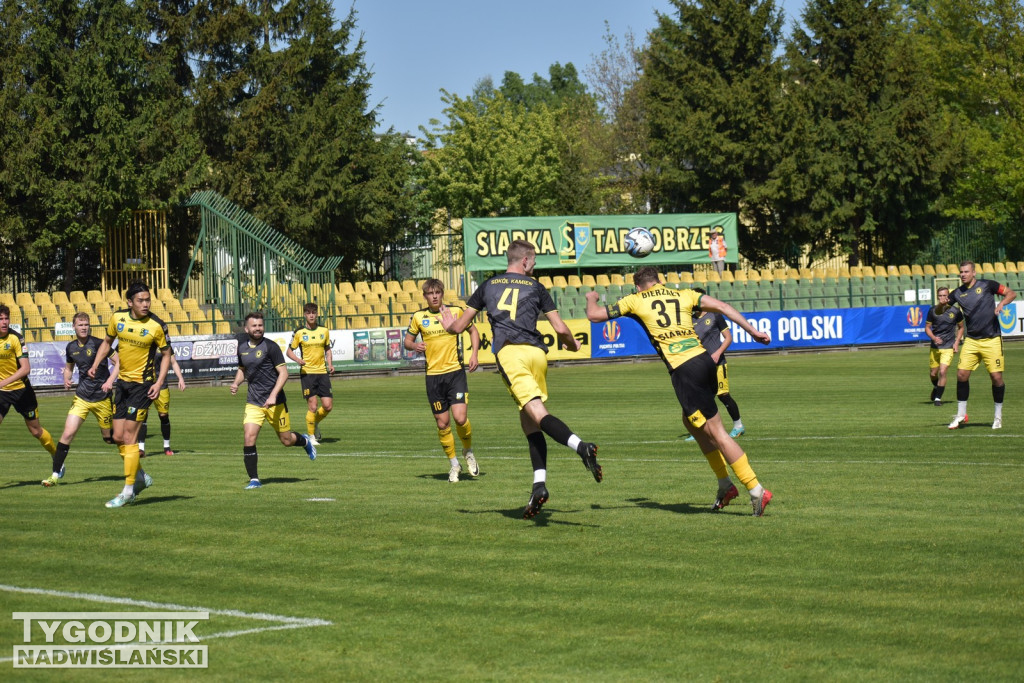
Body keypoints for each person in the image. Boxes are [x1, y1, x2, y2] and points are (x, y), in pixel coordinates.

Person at [585, 266, 774, 516]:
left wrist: (591, 298)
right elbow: (724, 307)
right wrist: (754, 332)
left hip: (684, 368)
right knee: (691, 422)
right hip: (704, 362)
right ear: (660, 281)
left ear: (639, 285)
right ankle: (725, 485)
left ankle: (756, 490)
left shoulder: (635, 299)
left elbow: (595, 316)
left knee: (717, 432)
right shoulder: (683, 294)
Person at [440, 240, 601, 519]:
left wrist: (449, 326)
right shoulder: (537, 287)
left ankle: (581, 446)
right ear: (525, 260)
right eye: (534, 261)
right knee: (528, 421)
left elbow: (460, 326)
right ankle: (539, 486)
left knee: (538, 413)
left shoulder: (488, 285)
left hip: (511, 354)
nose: (534, 266)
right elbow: (560, 328)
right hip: (537, 355)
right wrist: (573, 345)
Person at [87, 281, 171, 508]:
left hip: (143, 387)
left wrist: (160, 382)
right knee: (117, 438)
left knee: (130, 438)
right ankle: (141, 477)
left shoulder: (157, 325)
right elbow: (106, 343)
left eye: (148, 300)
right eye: (141, 300)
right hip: (122, 385)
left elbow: (166, 355)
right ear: (130, 302)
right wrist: (96, 364)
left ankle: (128, 491)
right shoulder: (118, 318)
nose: (145, 304)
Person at [405, 279, 481, 482]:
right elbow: (407, 341)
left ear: (442, 293)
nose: (435, 296)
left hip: (455, 373)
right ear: (425, 296)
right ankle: (454, 465)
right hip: (433, 377)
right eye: (431, 293)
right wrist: (414, 347)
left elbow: (473, 331)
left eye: (438, 292)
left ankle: (468, 451)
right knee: (442, 423)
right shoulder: (419, 317)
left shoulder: (455, 312)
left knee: (460, 418)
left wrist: (474, 354)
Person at [231, 311, 317, 489]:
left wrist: (272, 395)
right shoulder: (241, 347)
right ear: (247, 328)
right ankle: (254, 479)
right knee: (249, 438)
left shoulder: (271, 347)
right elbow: (242, 370)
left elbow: (284, 373)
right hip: (254, 402)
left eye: (260, 325)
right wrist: (236, 383)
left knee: (286, 440)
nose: (258, 328)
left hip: (275, 402)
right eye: (254, 326)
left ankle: (305, 441)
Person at [42, 312, 120, 487]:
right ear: (74, 327)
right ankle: (55, 475)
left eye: (86, 324)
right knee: (67, 434)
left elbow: (118, 362)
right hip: (82, 397)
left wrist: (109, 381)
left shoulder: (100, 343)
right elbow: (69, 367)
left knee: (109, 439)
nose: (84, 327)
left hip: (102, 398)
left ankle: (132, 452)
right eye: (80, 325)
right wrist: (66, 378)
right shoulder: (71, 347)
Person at [948, 260, 1016, 430]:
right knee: (961, 375)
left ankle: (998, 417)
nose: (962, 274)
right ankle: (961, 415)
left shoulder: (988, 285)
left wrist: (1001, 303)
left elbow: (1011, 293)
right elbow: (944, 307)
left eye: (966, 271)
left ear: (973, 273)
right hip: (971, 340)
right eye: (961, 272)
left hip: (992, 339)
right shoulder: (957, 293)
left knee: (996, 378)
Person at [0, 304, 59, 477]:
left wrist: (2, 383)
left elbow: (25, 369)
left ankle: (57, 457)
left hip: (21, 390)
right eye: (0, 319)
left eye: (6, 318)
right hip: (2, 394)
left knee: (35, 431)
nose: (4, 322)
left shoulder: (16, 338)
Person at [684, 287, 746, 439]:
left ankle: (738, 426)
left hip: (718, 363)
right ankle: (700, 430)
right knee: (699, 396)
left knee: (723, 394)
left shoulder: (715, 315)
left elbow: (728, 338)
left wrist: (718, 353)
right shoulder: (689, 319)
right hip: (700, 364)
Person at [286, 302, 333, 445]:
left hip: (322, 372)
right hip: (308, 373)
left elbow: (327, 349)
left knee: (327, 406)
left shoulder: (324, 330)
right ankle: (311, 437)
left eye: (314, 312)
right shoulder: (299, 332)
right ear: (305, 315)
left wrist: (330, 364)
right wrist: (297, 360)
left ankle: (314, 423)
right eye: (308, 313)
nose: (311, 315)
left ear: (317, 314)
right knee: (312, 406)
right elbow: (289, 351)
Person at [138, 352, 186, 457]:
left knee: (163, 415)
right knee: (142, 416)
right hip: (145, 385)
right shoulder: (146, 340)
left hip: (161, 386)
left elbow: (173, 362)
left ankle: (167, 446)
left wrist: (180, 378)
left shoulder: (165, 345)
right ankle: (141, 449)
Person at [925, 286, 964, 407]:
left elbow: (961, 327)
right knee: (933, 374)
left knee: (943, 371)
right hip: (935, 347)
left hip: (948, 346)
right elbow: (927, 328)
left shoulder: (955, 311)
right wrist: (934, 338)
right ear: (937, 297)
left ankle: (938, 398)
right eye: (940, 296)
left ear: (948, 297)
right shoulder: (933, 311)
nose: (942, 298)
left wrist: (957, 342)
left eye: (944, 295)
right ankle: (937, 387)